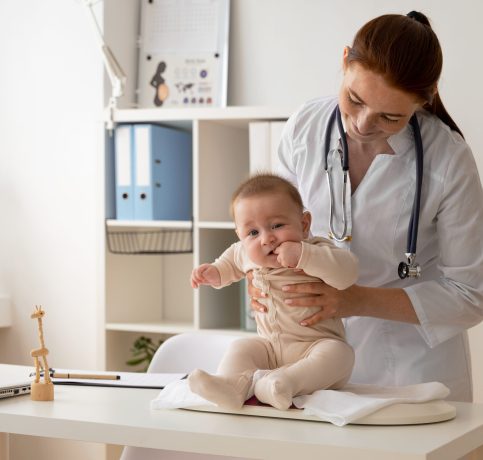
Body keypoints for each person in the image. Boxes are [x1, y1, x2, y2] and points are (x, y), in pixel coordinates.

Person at [247, 11, 483, 403]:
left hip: (412, 369)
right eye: (354, 99)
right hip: (308, 353)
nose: (362, 123)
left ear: (422, 102)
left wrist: (354, 299)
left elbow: (471, 294)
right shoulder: (306, 126)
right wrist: (257, 275)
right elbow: (269, 222)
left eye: (391, 117)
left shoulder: (448, 160)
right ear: (344, 61)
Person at [188, 173, 358, 410]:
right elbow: (228, 266)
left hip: (316, 345)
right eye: (253, 233)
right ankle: (232, 386)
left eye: (277, 226)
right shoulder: (244, 252)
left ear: (304, 224)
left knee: (340, 354)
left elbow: (347, 272)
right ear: (240, 236)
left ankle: (283, 383)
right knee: (242, 347)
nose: (267, 239)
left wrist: (303, 256)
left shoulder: (315, 249)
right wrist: (213, 273)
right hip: (269, 349)